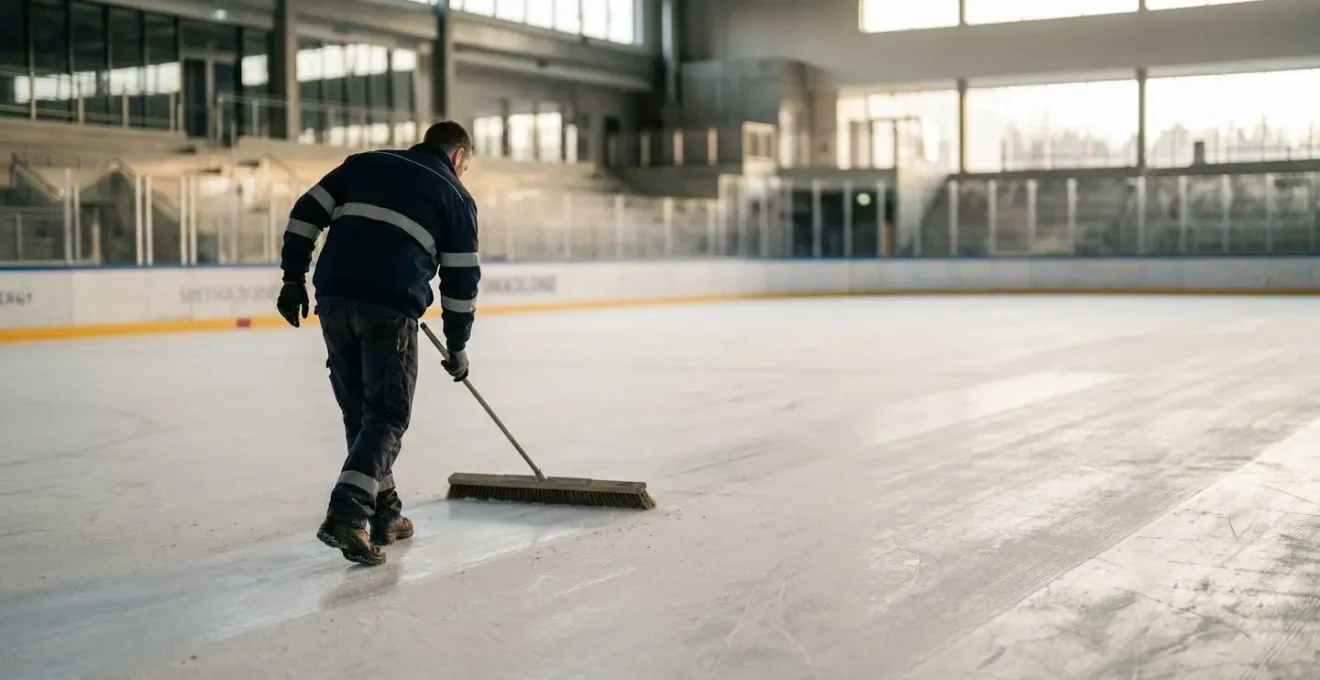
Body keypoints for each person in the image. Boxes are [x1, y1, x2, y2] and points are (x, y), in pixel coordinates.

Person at [275, 121, 481, 566]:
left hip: (333, 302)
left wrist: (293, 280)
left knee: (362, 413)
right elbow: (461, 281)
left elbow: (304, 213)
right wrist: (457, 345)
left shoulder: (366, 164)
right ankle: (347, 515)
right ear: (460, 156)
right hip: (388, 309)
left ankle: (386, 514)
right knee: (387, 415)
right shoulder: (456, 197)